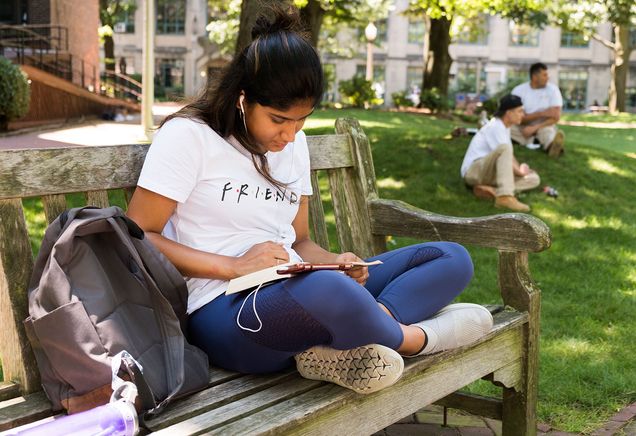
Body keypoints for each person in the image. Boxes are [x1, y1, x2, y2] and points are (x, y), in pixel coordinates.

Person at [126, 6, 493, 395]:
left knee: (450, 258)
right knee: (328, 290)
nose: (289, 135)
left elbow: (299, 241)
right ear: (243, 98)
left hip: (297, 286)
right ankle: (414, 338)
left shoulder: (294, 144)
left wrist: (335, 262)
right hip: (222, 308)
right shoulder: (190, 137)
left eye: (301, 121)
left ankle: (352, 336)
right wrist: (233, 266)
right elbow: (138, 233)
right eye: (278, 119)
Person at [461, 94, 540, 213]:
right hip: (474, 171)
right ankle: (505, 196)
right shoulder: (495, 127)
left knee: (534, 178)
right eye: (519, 111)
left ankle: (490, 190)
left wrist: (522, 171)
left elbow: (509, 158)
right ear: (509, 113)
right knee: (504, 148)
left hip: (488, 173)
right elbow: (505, 151)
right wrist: (520, 172)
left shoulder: (505, 128)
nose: (523, 115)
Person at [511, 62, 565, 158]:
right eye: (544, 75)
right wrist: (542, 113)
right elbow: (518, 117)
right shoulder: (518, 90)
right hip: (522, 126)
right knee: (507, 128)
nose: (547, 78)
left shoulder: (553, 90)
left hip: (544, 125)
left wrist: (534, 128)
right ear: (534, 77)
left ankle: (552, 147)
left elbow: (556, 117)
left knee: (547, 133)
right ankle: (535, 141)